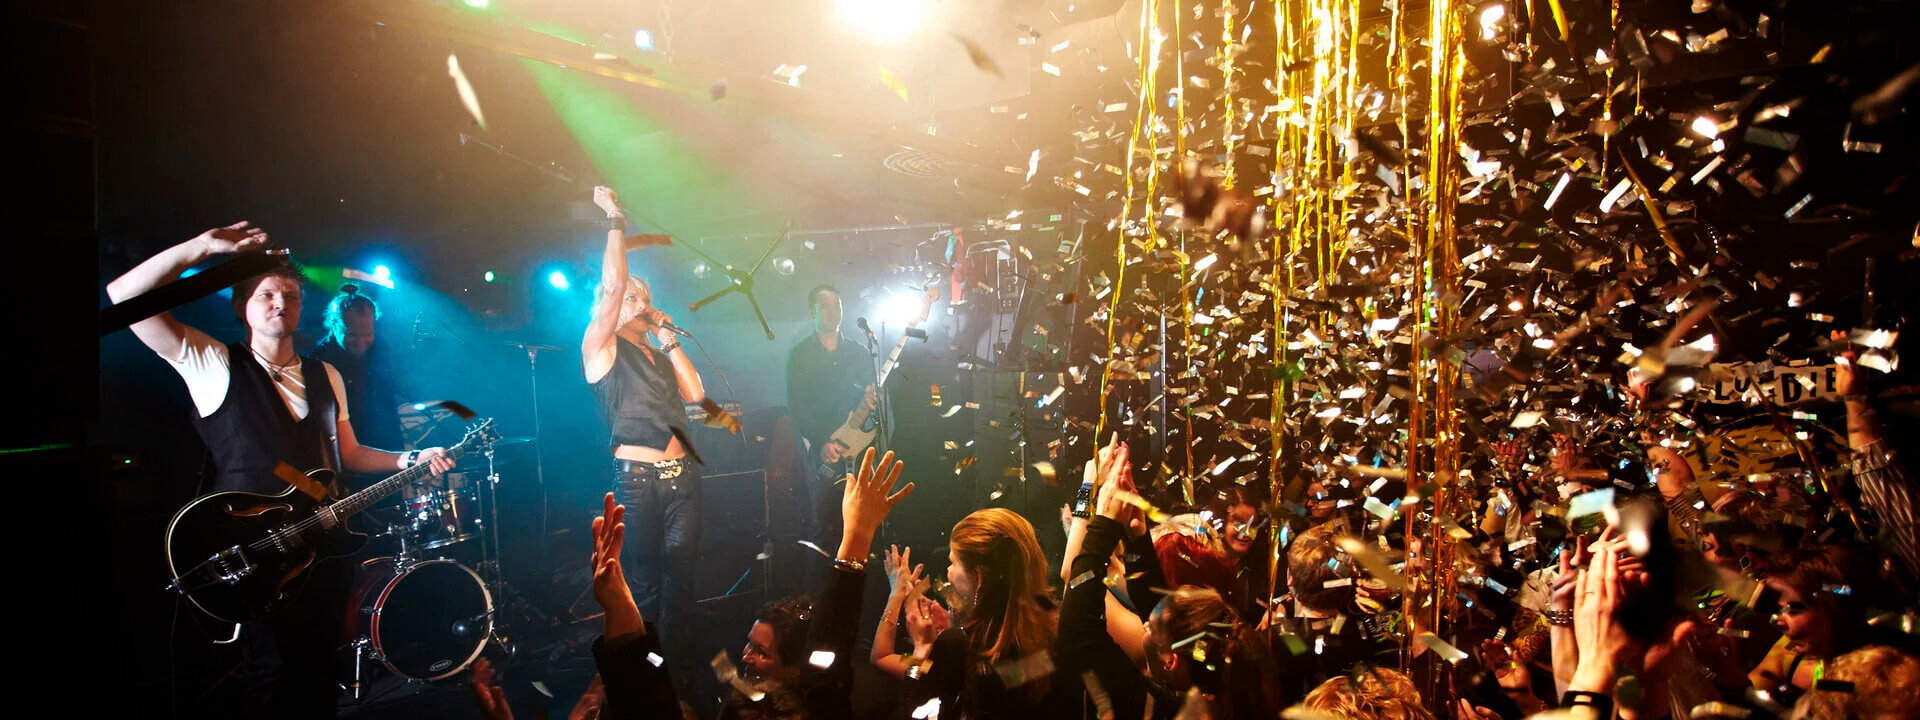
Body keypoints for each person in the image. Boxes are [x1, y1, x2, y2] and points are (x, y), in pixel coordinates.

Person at [105, 221, 453, 718]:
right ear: (240, 305)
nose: (279, 303)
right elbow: (123, 297)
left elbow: (349, 454)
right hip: (255, 559)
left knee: (319, 678)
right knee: (271, 682)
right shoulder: (212, 362)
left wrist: (409, 460)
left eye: (290, 295)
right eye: (266, 293)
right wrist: (201, 248)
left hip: (323, 553)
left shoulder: (325, 374)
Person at [582, 185, 709, 679]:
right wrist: (615, 218)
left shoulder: (657, 354)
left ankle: (682, 670)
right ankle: (644, 671)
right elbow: (614, 287)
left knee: (683, 581)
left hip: (683, 479)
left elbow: (696, 394)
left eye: (647, 298)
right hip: (638, 481)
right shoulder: (601, 346)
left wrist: (668, 338)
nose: (641, 303)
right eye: (633, 297)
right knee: (647, 582)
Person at [786, 284, 877, 544]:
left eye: (837, 306)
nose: (832, 312)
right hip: (821, 452)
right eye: (824, 307)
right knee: (825, 526)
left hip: (859, 451)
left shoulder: (860, 352)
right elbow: (798, 407)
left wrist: (874, 396)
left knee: (864, 524)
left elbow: (873, 395)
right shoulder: (801, 355)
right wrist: (822, 441)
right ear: (812, 312)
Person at [307, 284, 404, 452]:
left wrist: (399, 448)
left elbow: (387, 399)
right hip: (348, 450)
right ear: (334, 325)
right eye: (351, 335)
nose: (361, 344)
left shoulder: (380, 346)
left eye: (367, 335)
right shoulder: (319, 358)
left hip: (385, 442)